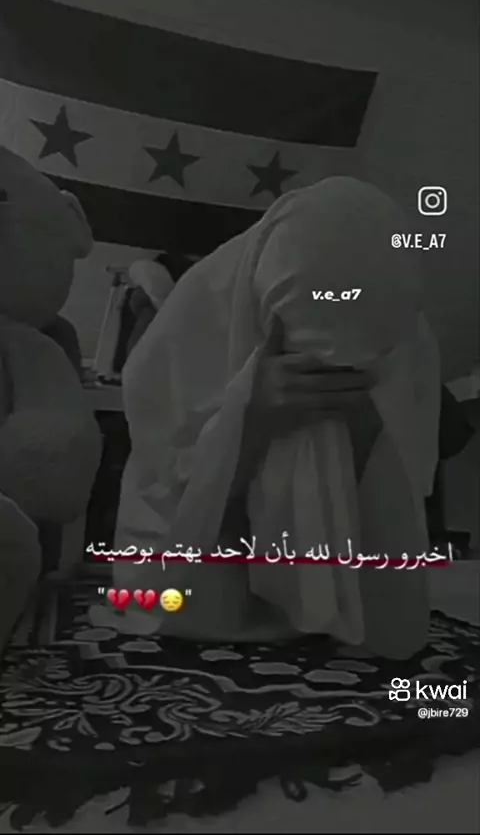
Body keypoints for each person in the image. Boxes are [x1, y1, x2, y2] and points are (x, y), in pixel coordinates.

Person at [91, 177, 440, 659]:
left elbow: (399, 495)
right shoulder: (188, 325)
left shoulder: (400, 334)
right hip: (198, 556)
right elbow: (165, 493)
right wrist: (248, 418)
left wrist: (365, 424)